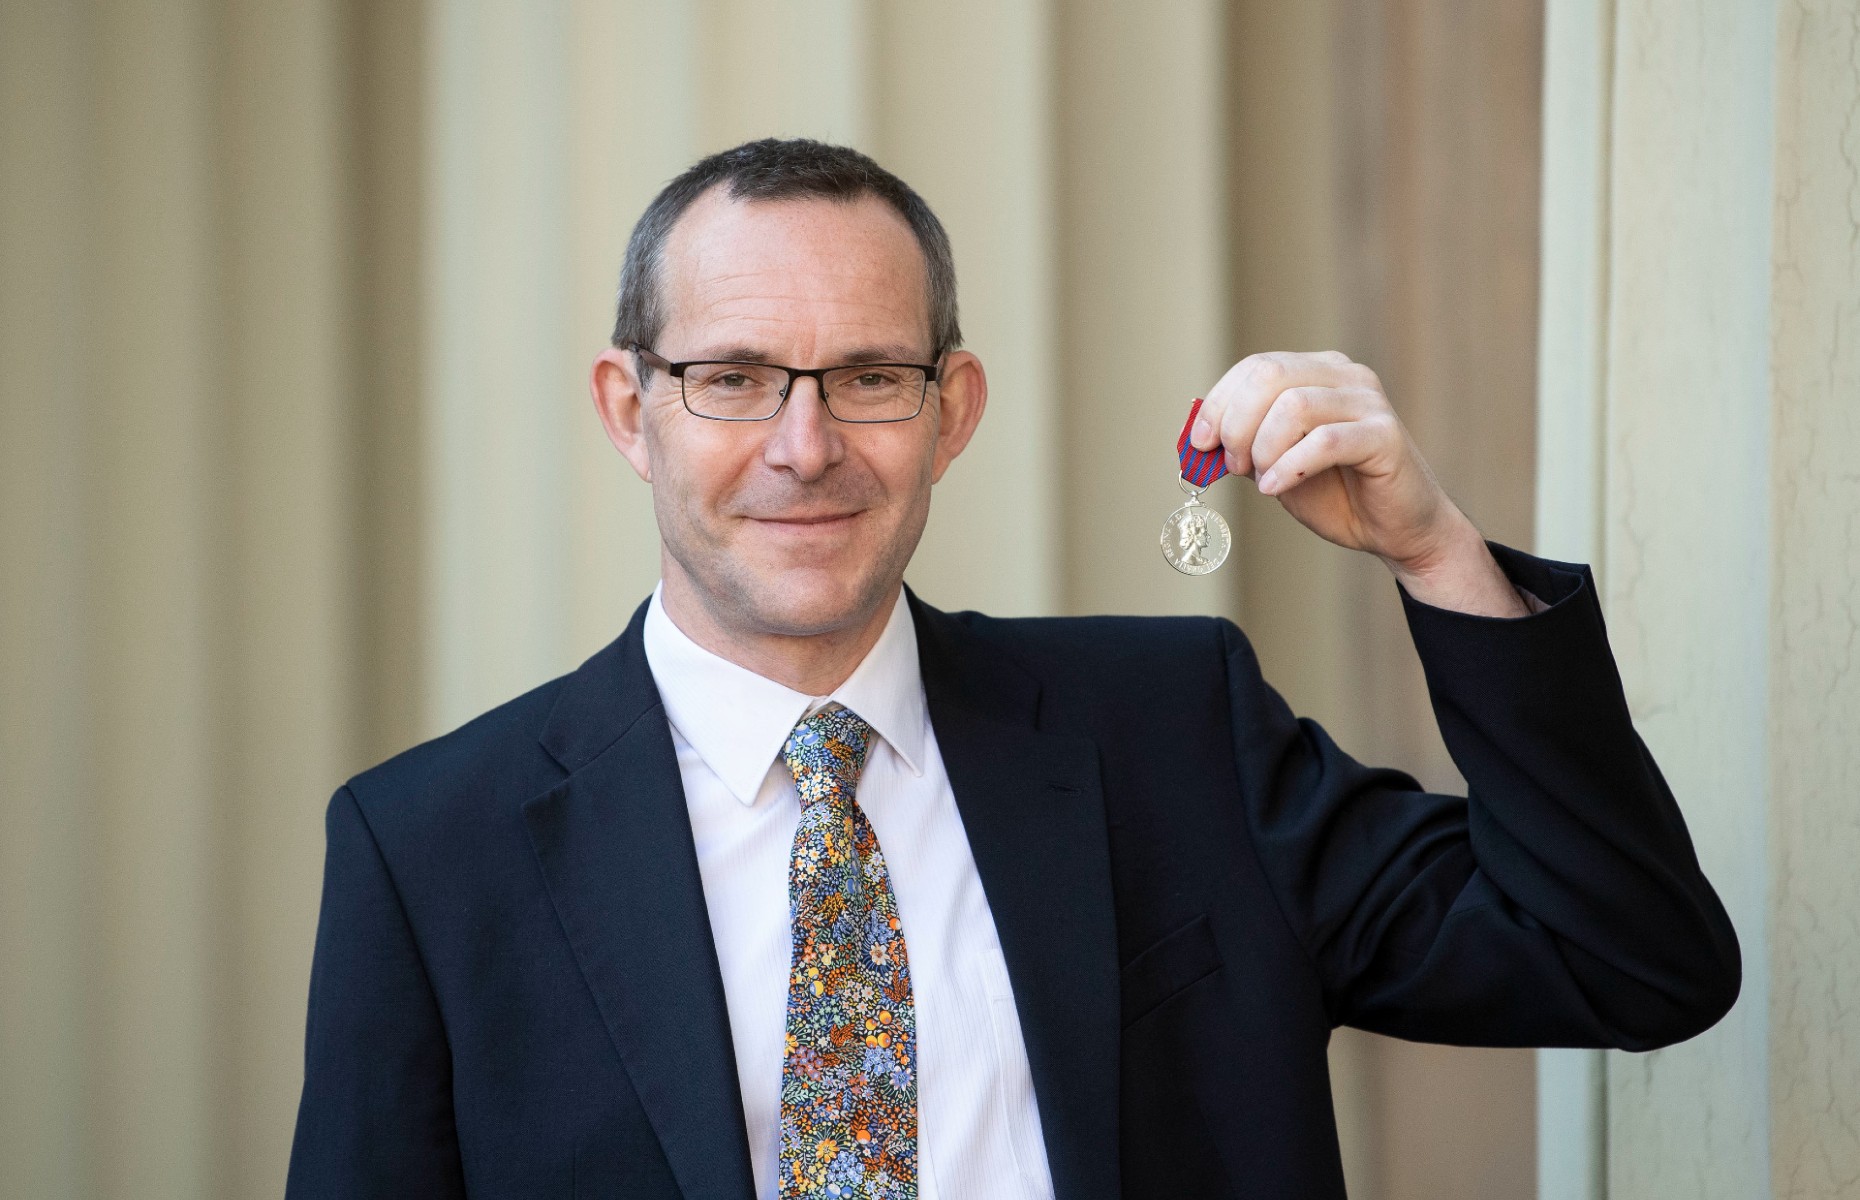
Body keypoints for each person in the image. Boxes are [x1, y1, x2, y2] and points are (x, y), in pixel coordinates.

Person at [285, 138, 1739, 1200]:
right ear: (631, 408)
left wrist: (1436, 553)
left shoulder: (1173, 734)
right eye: (731, 378)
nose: (806, 447)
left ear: (952, 409)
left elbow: (1630, 960)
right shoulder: (430, 850)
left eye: (870, 378)